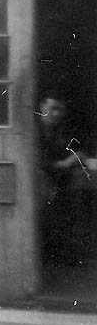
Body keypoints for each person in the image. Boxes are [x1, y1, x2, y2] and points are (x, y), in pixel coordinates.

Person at [36, 94, 96, 266]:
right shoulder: (34, 131)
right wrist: (64, 163)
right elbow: (38, 162)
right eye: (52, 108)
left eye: (60, 110)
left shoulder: (57, 131)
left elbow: (67, 152)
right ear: (42, 106)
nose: (56, 113)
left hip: (55, 180)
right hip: (40, 182)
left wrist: (74, 158)